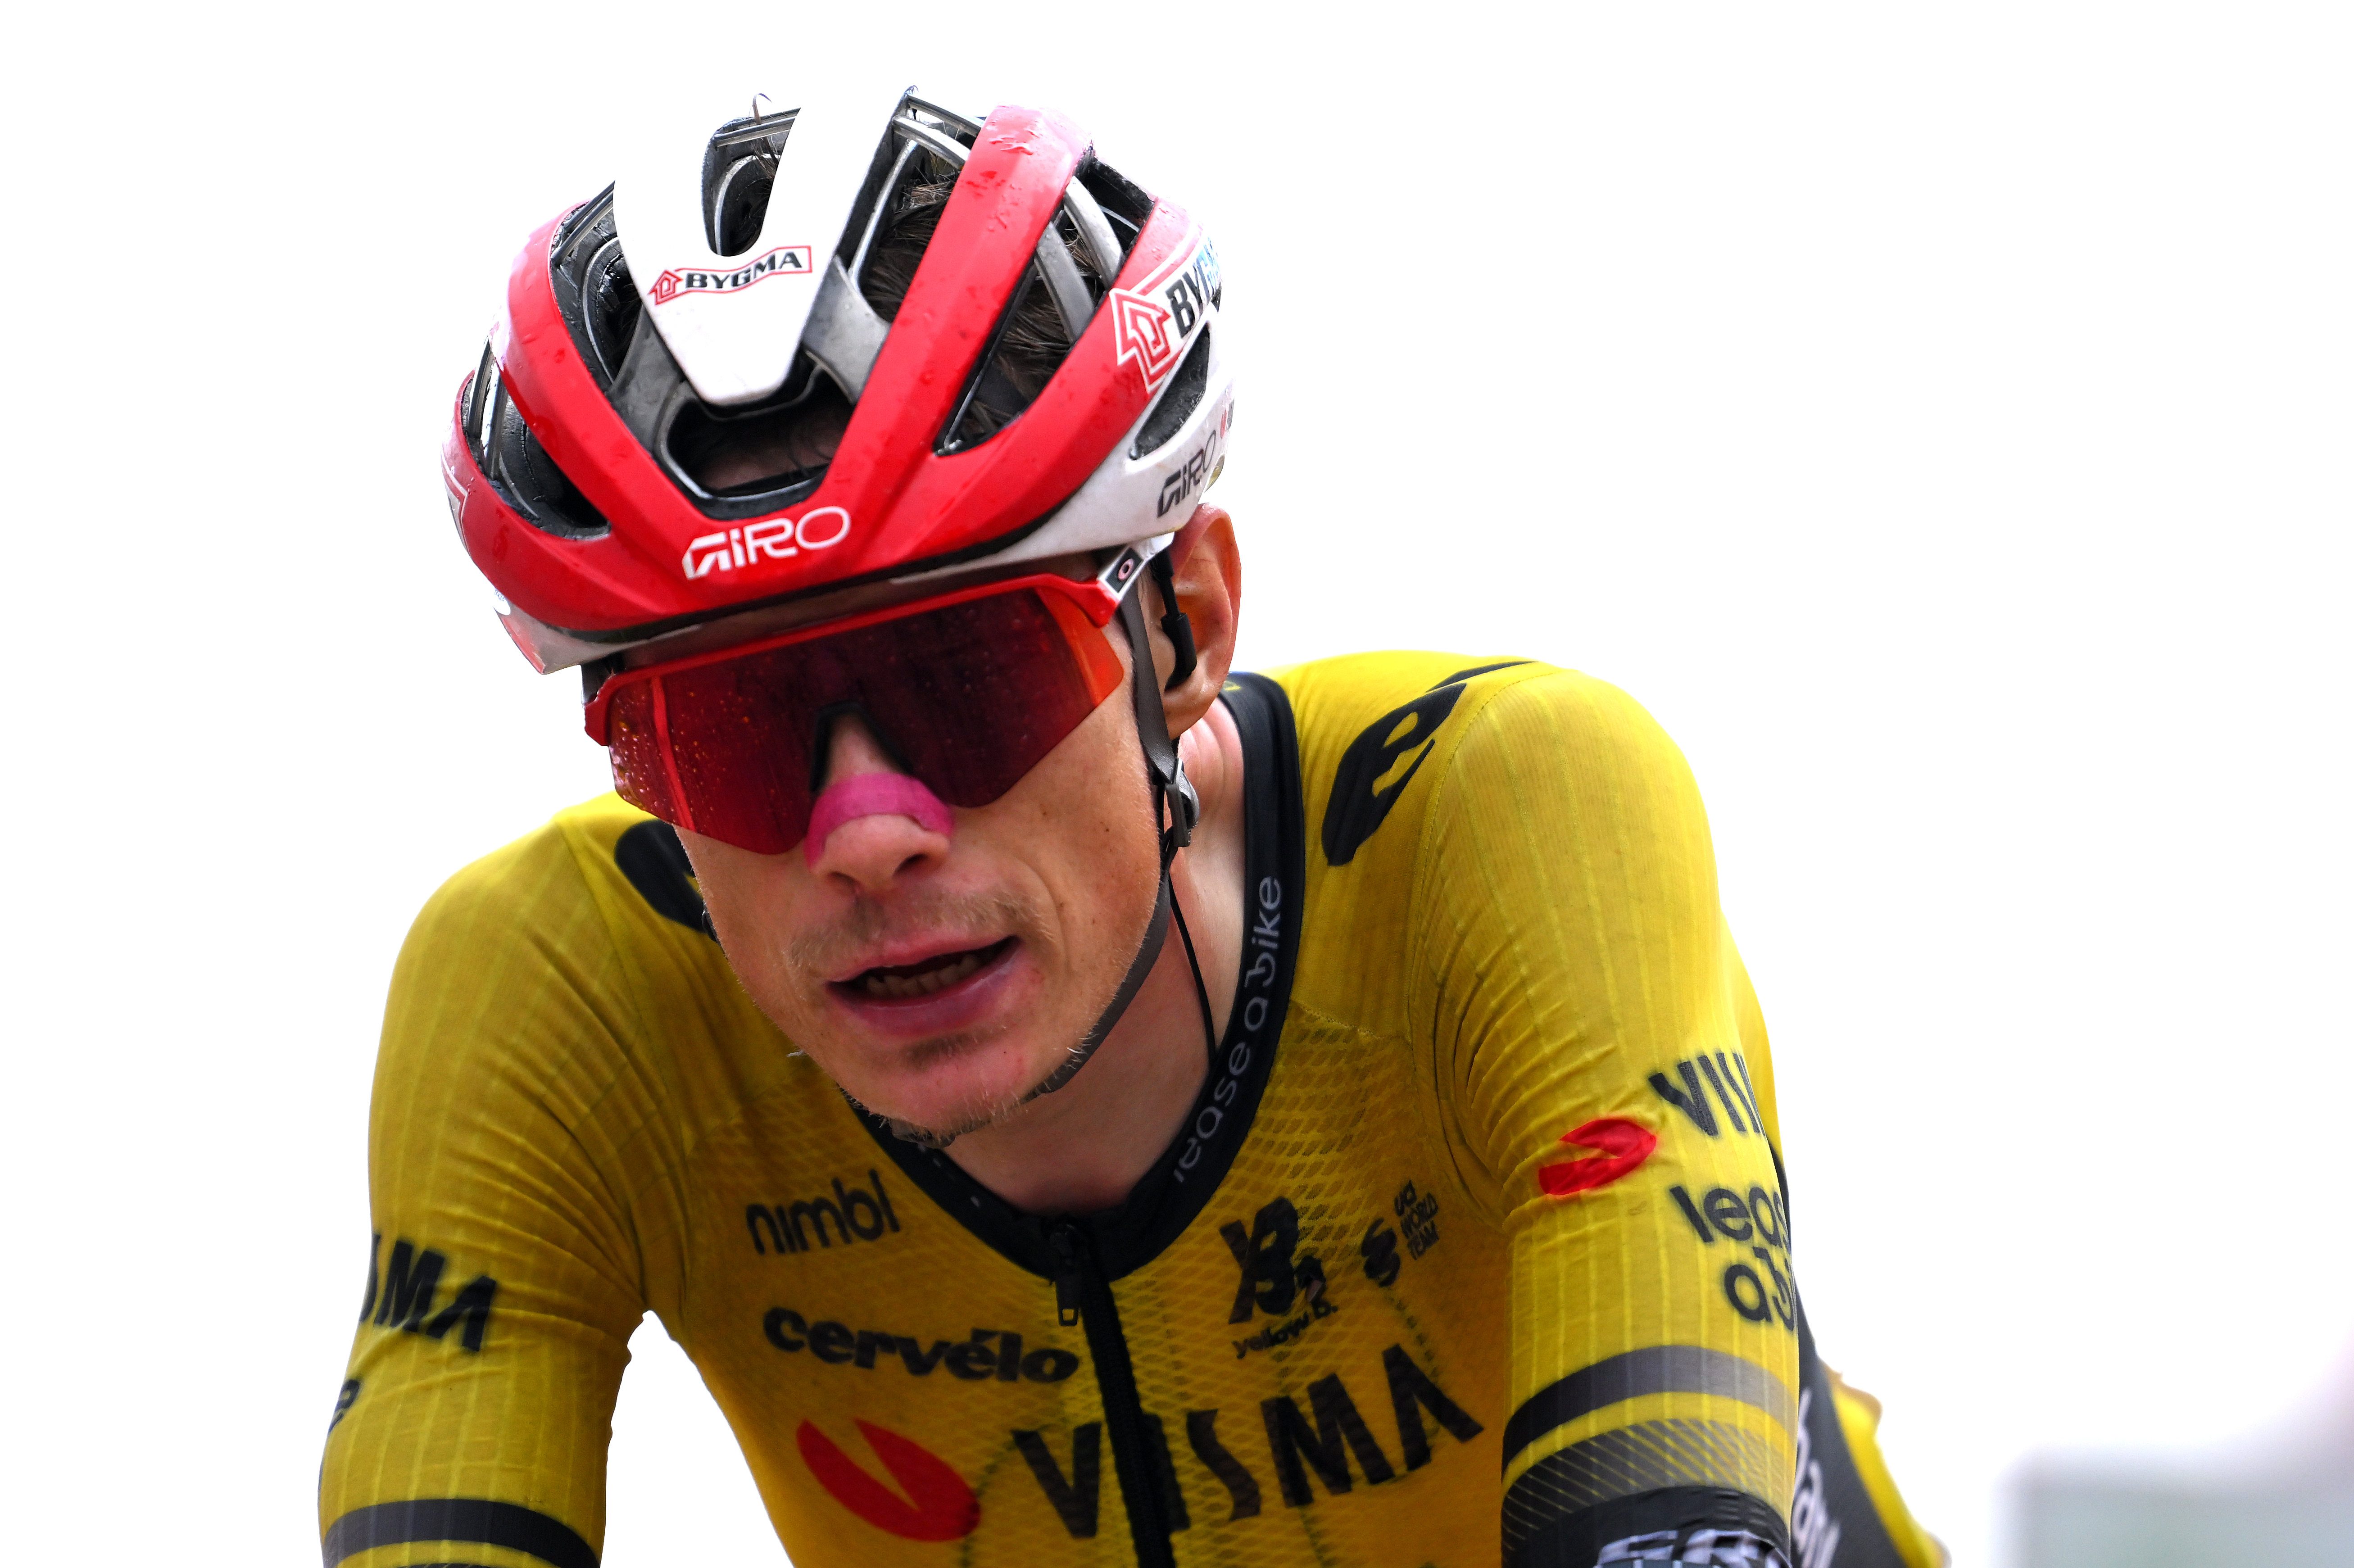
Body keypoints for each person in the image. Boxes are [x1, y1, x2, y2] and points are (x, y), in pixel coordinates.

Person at [320, 85, 1944, 1568]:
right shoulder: (554, 998)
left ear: (1183, 628)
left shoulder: (1511, 816)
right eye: (729, 727)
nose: (866, 832)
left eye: (967, 676)